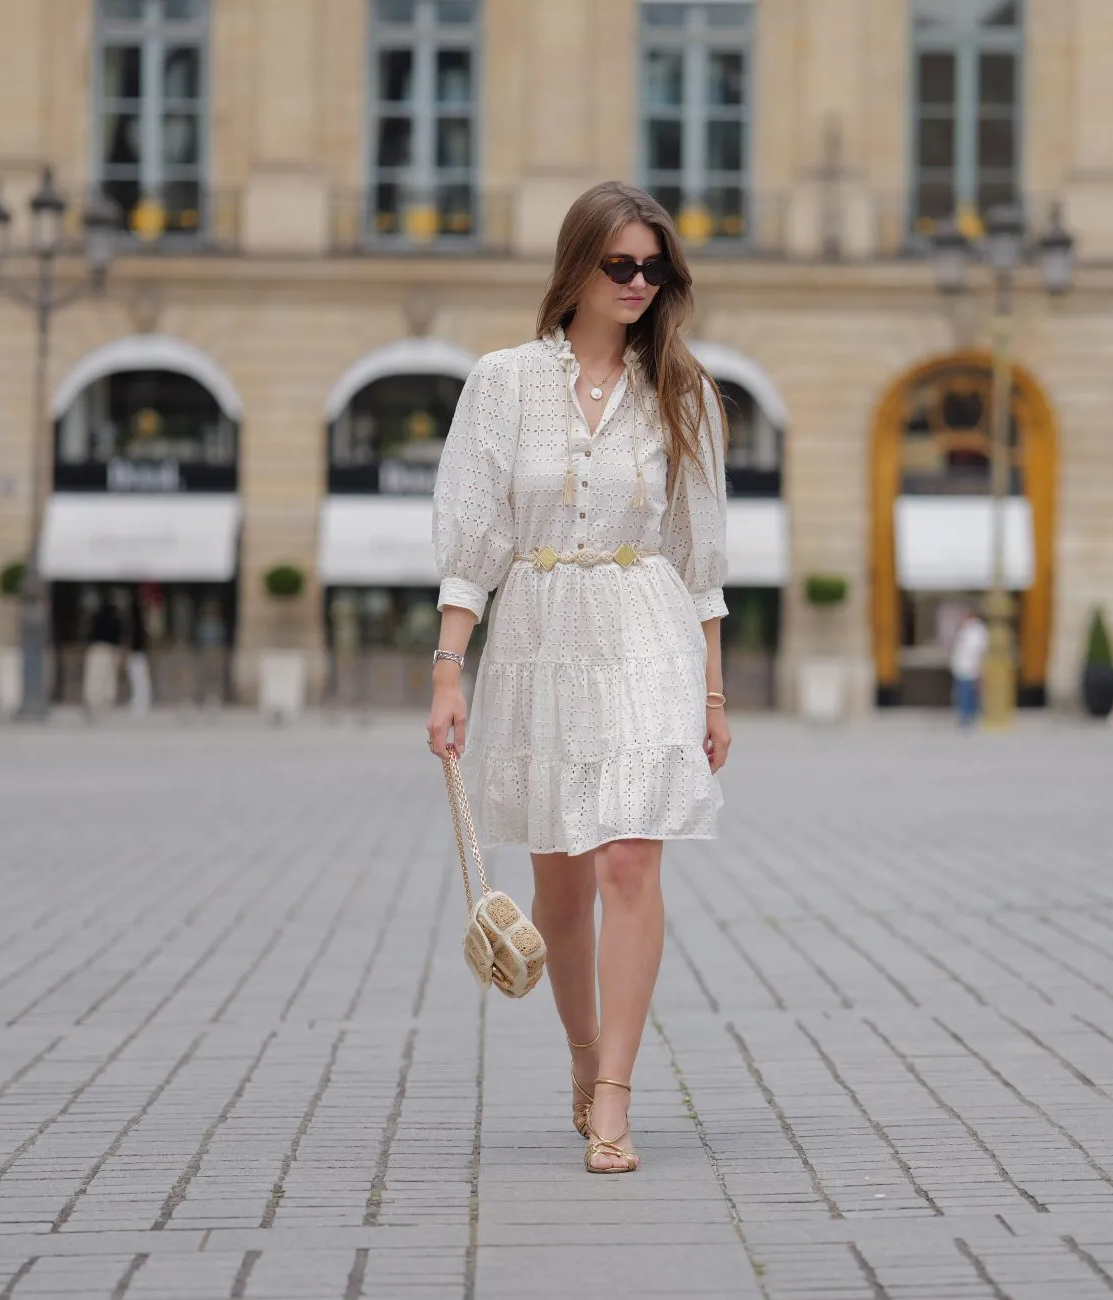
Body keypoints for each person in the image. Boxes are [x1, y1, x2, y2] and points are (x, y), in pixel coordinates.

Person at [427, 181, 730, 1175]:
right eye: (619, 265)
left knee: (626, 860)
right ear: (576, 269)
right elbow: (473, 538)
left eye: (653, 268)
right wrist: (446, 669)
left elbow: (701, 558)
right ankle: (581, 1049)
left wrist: (712, 694)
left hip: (643, 627)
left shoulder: (684, 392)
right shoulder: (503, 382)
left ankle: (615, 1095)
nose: (639, 283)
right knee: (558, 879)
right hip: (540, 631)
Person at [81, 595, 124, 719]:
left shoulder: (96, 618)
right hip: (109, 648)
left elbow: (89, 633)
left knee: (95, 677)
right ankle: (105, 702)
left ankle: (93, 700)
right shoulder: (115, 619)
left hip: (97, 648)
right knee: (108, 677)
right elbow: (118, 634)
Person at [949, 611, 988, 728]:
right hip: (963, 667)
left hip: (970, 668)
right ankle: (966, 717)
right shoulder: (966, 630)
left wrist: (978, 667)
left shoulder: (976, 631)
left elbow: (977, 651)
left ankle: (967, 717)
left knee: (967, 694)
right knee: (964, 693)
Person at [125, 585, 156, 715]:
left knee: (138, 679)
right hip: (140, 654)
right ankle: (141, 702)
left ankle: (141, 702)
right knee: (141, 679)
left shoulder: (136, 626)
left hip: (137, 654)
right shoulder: (141, 625)